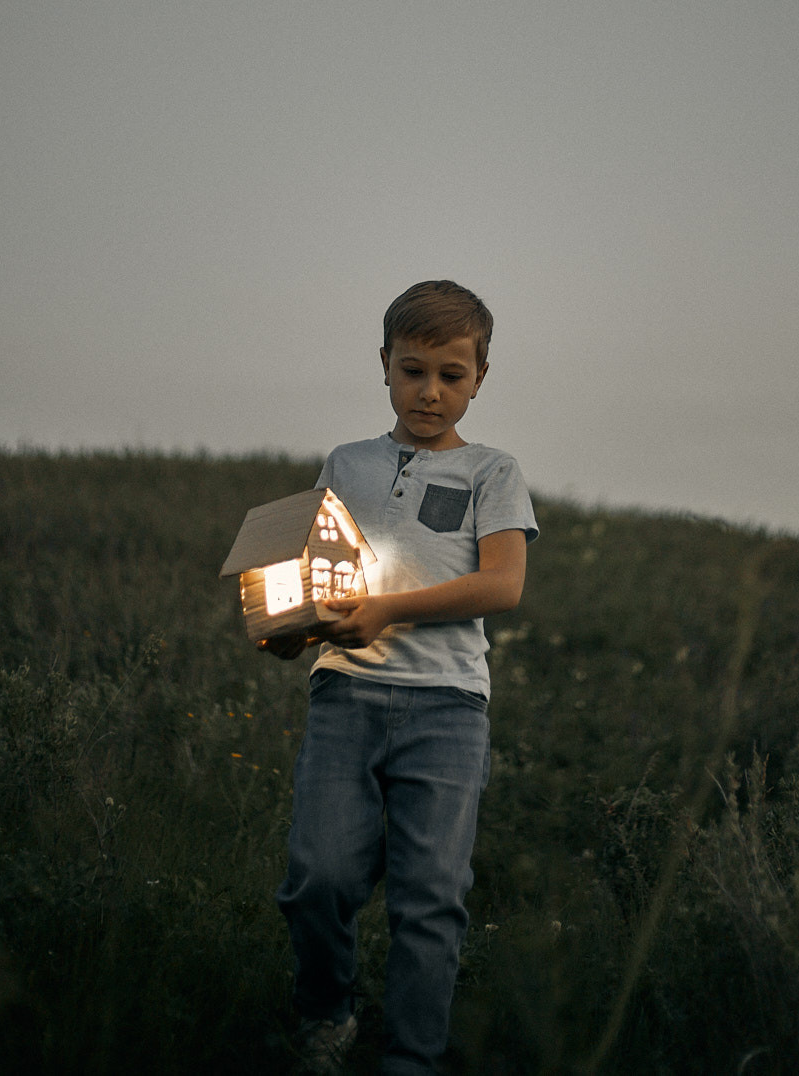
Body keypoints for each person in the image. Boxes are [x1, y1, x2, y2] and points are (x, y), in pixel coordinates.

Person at [269, 280, 538, 1075]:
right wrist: (289, 629)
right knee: (318, 875)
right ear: (384, 365)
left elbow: (503, 586)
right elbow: (314, 579)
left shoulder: (494, 472)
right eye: (413, 370)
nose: (431, 391)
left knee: (431, 898)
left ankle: (412, 1060)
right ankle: (327, 1013)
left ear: (480, 377)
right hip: (344, 694)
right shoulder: (345, 464)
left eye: (452, 375)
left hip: (449, 710)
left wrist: (388, 611)